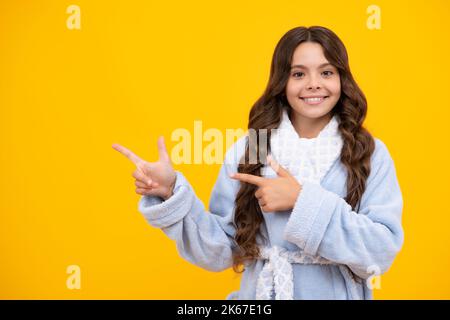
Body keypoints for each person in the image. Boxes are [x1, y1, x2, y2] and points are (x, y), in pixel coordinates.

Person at [112, 26, 404, 300]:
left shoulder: (368, 152)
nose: (314, 84)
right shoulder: (255, 148)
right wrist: (171, 191)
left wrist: (302, 201)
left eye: (326, 72)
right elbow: (222, 250)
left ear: (342, 79)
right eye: (298, 74)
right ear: (281, 82)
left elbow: (381, 250)